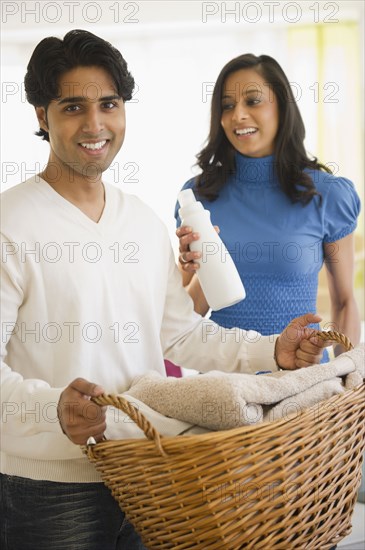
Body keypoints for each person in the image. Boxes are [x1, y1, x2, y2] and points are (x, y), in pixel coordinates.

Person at [1, 33, 331, 550]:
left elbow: (181, 339)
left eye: (108, 104)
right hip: (48, 487)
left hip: (149, 478)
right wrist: (53, 411)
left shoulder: (142, 221)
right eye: (72, 107)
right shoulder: (10, 224)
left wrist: (273, 351)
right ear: (42, 116)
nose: (95, 125)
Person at [176, 53, 361, 363]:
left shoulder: (327, 195)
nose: (238, 116)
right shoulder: (197, 196)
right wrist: (192, 267)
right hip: (225, 386)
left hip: (304, 381)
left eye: (253, 101)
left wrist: (350, 379)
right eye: (227, 106)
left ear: (282, 106)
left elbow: (343, 302)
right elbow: (185, 320)